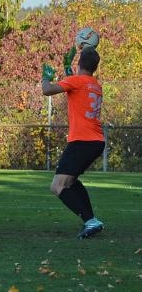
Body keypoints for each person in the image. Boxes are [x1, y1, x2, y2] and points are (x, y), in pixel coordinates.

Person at [42, 46, 105, 239]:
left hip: (82, 141)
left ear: (80, 63)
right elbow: (75, 86)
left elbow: (47, 90)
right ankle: (92, 220)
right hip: (95, 141)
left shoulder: (77, 81)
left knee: (58, 186)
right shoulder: (95, 84)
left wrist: (45, 76)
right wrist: (68, 67)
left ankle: (90, 221)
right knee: (70, 182)